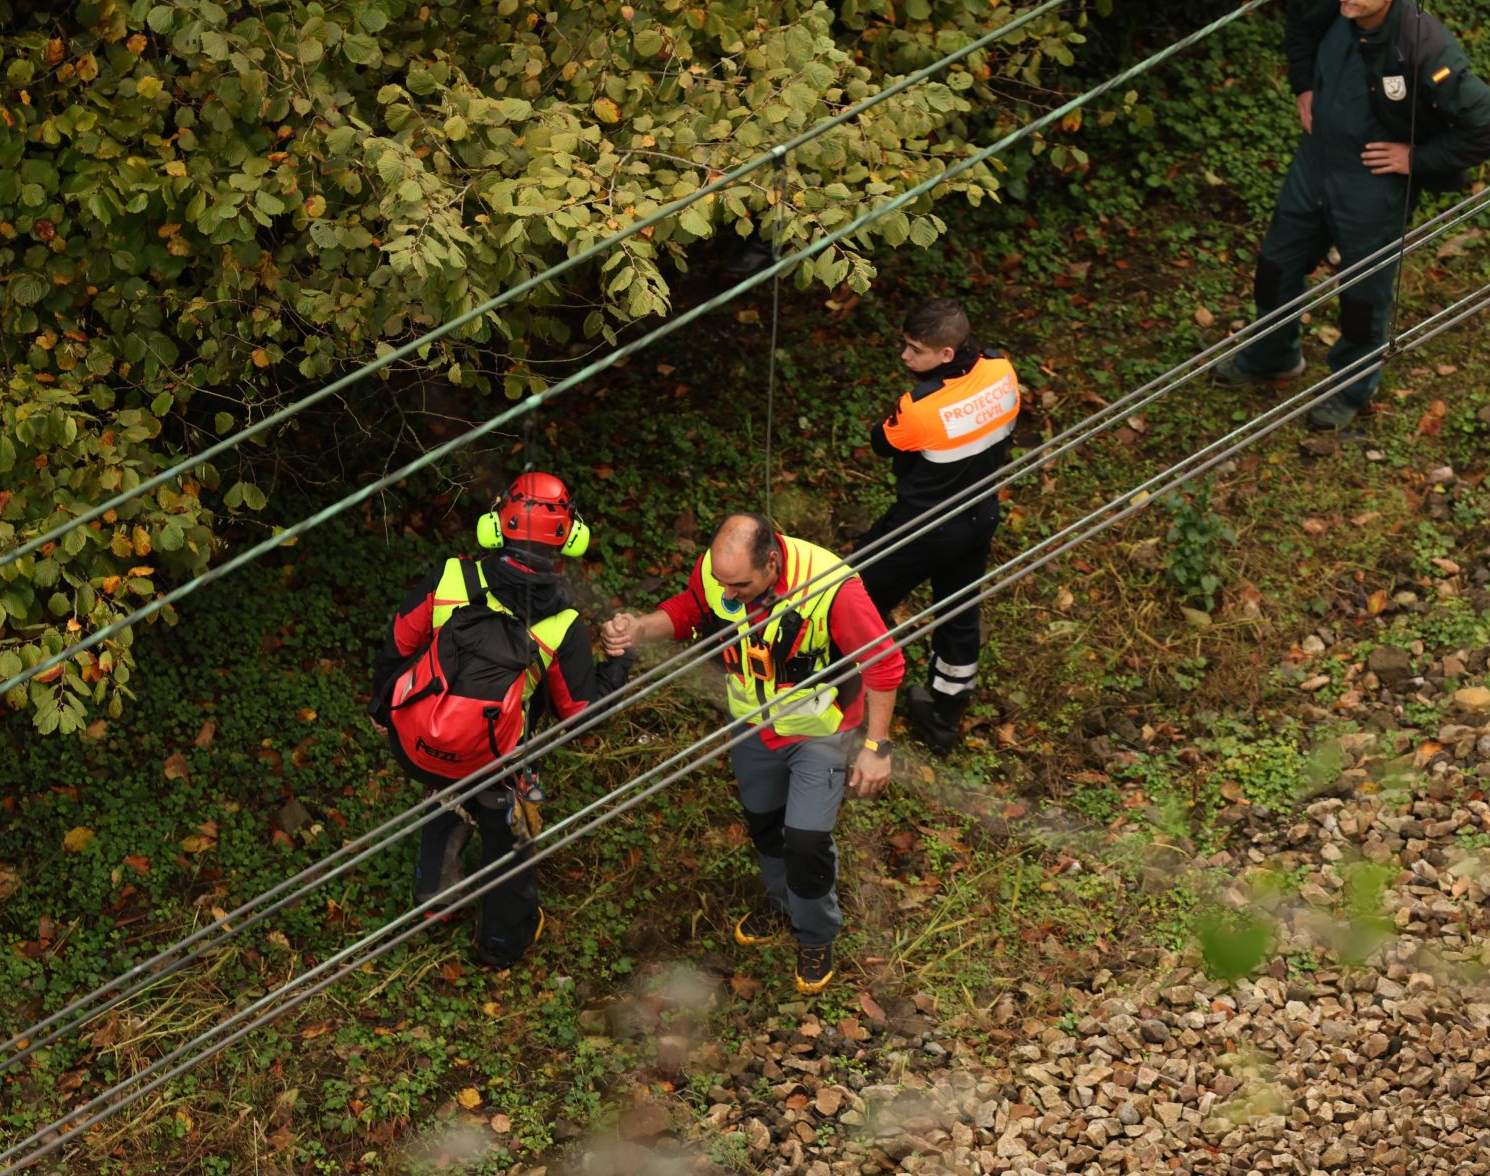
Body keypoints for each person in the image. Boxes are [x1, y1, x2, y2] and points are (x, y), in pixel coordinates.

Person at [600, 513, 902, 994]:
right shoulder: (719, 573)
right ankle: (783, 904)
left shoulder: (832, 588)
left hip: (818, 733)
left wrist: (876, 746)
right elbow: (687, 612)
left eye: (739, 585)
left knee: (805, 841)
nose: (728, 593)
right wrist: (639, 628)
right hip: (752, 727)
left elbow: (883, 662)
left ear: (773, 561)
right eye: (722, 581)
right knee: (765, 827)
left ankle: (815, 932)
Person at [1212, 0, 1490, 430]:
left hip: (1371, 182)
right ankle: (1272, 354)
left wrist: (1417, 158)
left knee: (1363, 291)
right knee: (1276, 263)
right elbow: (1300, 28)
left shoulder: (1424, 46)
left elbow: (1487, 126)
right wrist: (1303, 85)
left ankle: (1352, 387)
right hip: (1315, 161)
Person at [369, 472, 627, 969]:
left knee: (443, 803)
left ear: (496, 525)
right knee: (509, 836)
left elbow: (400, 641)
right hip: (499, 758)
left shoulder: (450, 578)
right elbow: (580, 713)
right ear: (571, 536)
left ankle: (434, 905)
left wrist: (383, 706)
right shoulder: (564, 624)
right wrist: (620, 662)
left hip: (422, 745)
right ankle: (503, 943)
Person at [858, 298, 1019, 753]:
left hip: (920, 528)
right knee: (958, 614)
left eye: (915, 350)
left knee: (854, 597)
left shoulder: (921, 406)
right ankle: (945, 715)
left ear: (946, 355)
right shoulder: (1001, 369)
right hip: (981, 514)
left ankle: (830, 687)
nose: (905, 358)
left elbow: (881, 443)